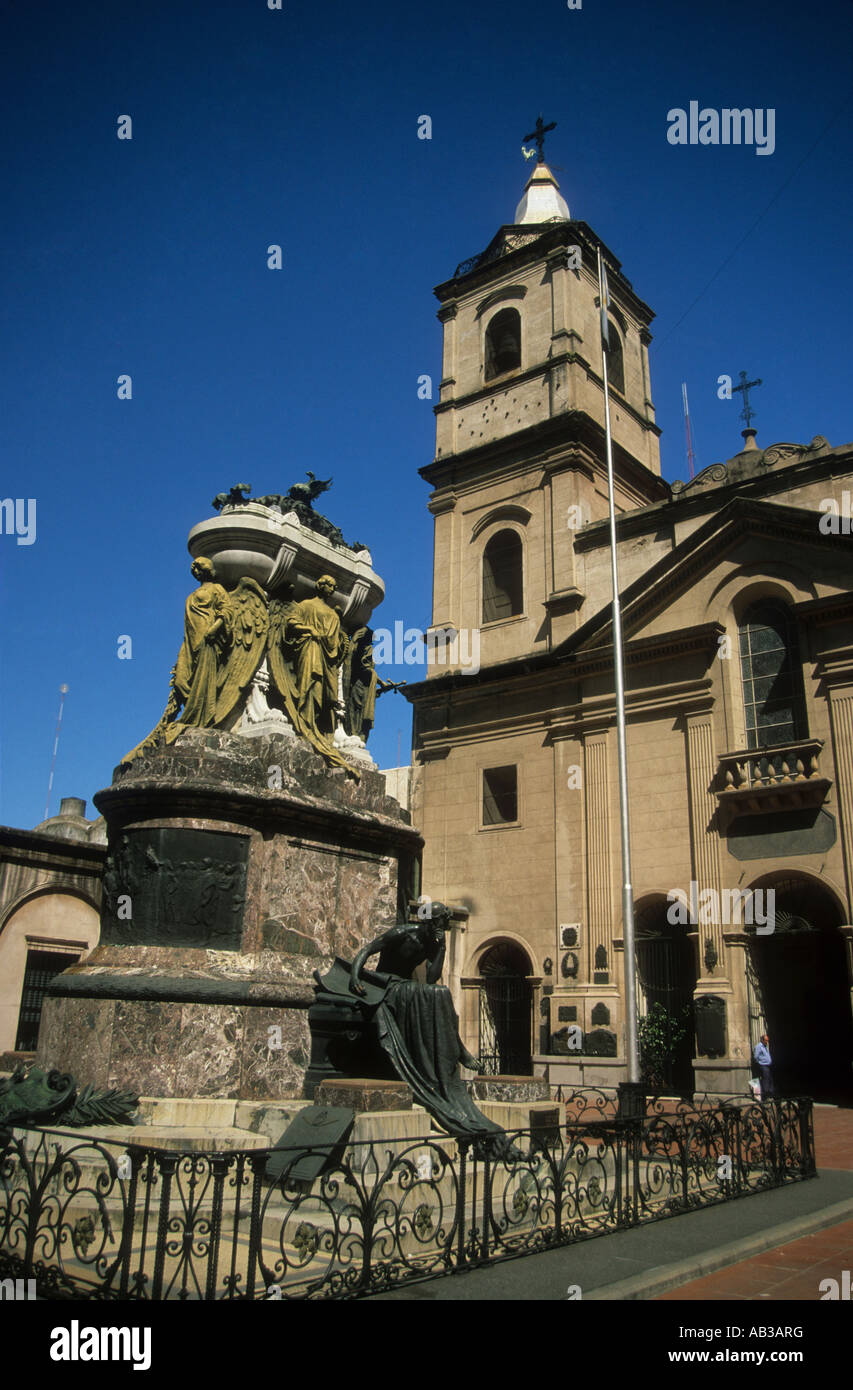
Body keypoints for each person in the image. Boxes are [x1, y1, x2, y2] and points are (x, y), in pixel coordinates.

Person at [314, 904, 513, 1152]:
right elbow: (367, 950)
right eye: (440, 923)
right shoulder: (402, 933)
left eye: (444, 925)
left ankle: (457, 1049)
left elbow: (431, 978)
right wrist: (355, 977)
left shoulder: (433, 943)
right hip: (384, 985)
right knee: (437, 994)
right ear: (430, 922)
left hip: (405, 987)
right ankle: (459, 1049)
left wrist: (441, 948)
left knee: (439, 993)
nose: (442, 928)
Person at [753, 1033, 774, 1100]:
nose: (767, 1042)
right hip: (763, 1065)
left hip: (767, 1066)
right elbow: (756, 1057)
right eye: (766, 1040)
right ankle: (765, 1095)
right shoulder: (759, 1046)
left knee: (769, 1079)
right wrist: (759, 1063)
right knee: (766, 1080)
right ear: (762, 1040)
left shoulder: (765, 1046)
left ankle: (770, 1093)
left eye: (767, 1040)